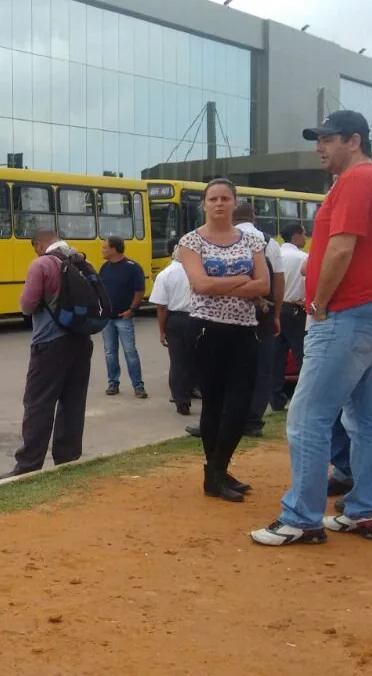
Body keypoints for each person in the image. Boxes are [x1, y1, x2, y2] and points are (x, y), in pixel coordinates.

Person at [251, 110, 372, 546]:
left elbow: (340, 249)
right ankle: (366, 509)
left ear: (354, 140)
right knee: (364, 416)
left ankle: (301, 517)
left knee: (307, 417)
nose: (320, 147)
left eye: (328, 139)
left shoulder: (355, 182)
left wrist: (318, 303)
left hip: (347, 313)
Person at [176, 178, 269, 503]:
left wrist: (224, 283)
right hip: (206, 329)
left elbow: (264, 286)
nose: (218, 203)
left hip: (244, 329)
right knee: (213, 403)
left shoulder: (251, 241)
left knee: (240, 405)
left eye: (224, 198)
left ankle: (217, 469)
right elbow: (199, 285)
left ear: (234, 203)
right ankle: (214, 474)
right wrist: (243, 280)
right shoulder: (191, 241)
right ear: (204, 204)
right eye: (212, 198)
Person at [0, 227, 93, 480]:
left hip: (49, 343)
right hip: (82, 341)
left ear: (39, 243)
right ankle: (67, 459)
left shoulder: (41, 265)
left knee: (38, 404)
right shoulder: (82, 261)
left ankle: (29, 463)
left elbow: (28, 306)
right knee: (73, 403)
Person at [233, 202, 284, 437]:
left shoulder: (223, 238)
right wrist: (276, 315)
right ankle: (253, 421)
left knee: (230, 367)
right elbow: (279, 281)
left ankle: (227, 420)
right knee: (262, 368)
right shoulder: (268, 242)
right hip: (261, 311)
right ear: (253, 217)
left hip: (229, 311)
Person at [149, 237, 195, 415]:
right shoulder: (199, 271)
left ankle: (182, 401)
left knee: (178, 361)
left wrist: (162, 331)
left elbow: (161, 307)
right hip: (197, 318)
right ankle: (195, 391)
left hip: (176, 320)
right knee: (196, 359)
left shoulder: (165, 274)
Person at [98, 236, 147, 398]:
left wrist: (131, 310)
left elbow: (139, 291)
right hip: (107, 319)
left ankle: (138, 386)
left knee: (130, 352)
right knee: (110, 352)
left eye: (105, 247)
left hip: (124, 317)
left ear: (114, 249)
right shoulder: (104, 268)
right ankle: (113, 383)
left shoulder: (132, 268)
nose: (102, 250)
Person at [272, 223, 310, 411]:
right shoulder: (303, 258)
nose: (305, 238)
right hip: (296, 310)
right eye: (304, 234)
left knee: (277, 357)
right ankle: (305, 397)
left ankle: (276, 399)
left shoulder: (275, 256)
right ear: (296, 236)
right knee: (303, 354)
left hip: (277, 309)